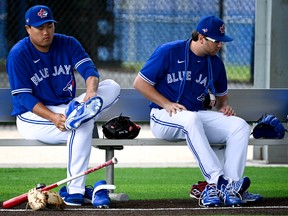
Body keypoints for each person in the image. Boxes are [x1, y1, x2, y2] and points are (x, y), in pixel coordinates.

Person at [134, 15, 262, 207]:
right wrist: (166, 103)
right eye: (216, 41)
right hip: (163, 116)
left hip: (194, 115)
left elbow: (221, 98)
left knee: (239, 126)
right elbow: (140, 83)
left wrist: (224, 106)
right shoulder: (169, 51)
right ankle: (216, 181)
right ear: (201, 38)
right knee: (191, 120)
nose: (220, 45)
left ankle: (231, 186)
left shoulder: (215, 63)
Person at [6, 5, 120, 207]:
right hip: (33, 117)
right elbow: (24, 98)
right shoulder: (18, 54)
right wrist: (52, 117)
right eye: (39, 27)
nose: (46, 32)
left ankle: (74, 192)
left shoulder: (68, 43)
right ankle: (76, 190)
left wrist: (92, 92)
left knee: (112, 86)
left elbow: (89, 70)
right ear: (28, 29)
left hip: (68, 108)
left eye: (49, 25)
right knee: (81, 124)